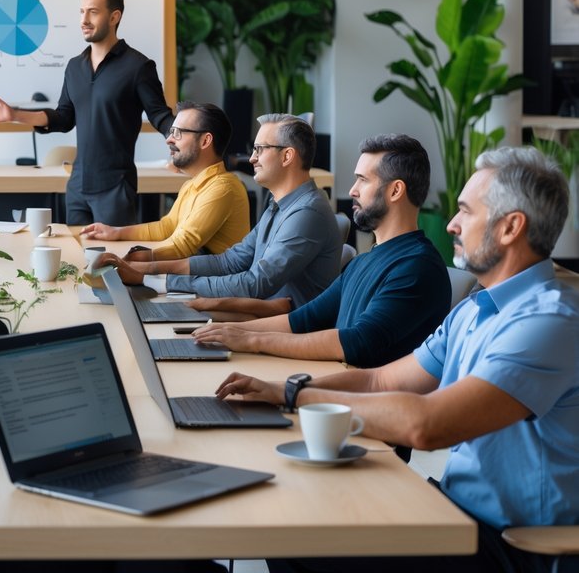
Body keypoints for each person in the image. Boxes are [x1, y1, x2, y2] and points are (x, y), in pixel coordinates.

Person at [217, 146, 579, 573]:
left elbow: (424, 424)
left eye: (465, 211)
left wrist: (297, 400)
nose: (451, 224)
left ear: (510, 227)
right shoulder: (473, 311)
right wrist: (284, 389)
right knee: (296, 513)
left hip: (510, 547)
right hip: (454, 513)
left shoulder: (548, 323)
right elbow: (380, 382)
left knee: (301, 535)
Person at [191, 134, 450, 367]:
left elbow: (357, 341)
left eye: (362, 180)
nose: (352, 190)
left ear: (395, 190)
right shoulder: (365, 260)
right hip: (334, 389)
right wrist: (230, 332)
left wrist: (253, 341)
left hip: (360, 410)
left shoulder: (417, 267)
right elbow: (304, 319)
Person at [0, 0, 174, 225]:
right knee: (76, 258)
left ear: (114, 17)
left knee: (111, 261)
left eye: (93, 12)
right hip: (77, 185)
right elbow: (63, 118)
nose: (84, 20)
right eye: (82, 12)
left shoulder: (138, 67)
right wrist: (14, 114)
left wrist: (184, 147)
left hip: (115, 186)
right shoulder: (74, 67)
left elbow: (161, 117)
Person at [94, 113, 340, 309]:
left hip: (279, 328)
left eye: (259, 149)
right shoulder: (279, 205)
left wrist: (154, 280)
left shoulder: (307, 213)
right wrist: (145, 271)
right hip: (254, 313)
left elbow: (255, 284)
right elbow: (230, 261)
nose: (252, 159)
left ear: (287, 156)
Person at [80, 101, 248, 259]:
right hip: (195, 278)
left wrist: (124, 258)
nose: (169, 139)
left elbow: (183, 245)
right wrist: (116, 232)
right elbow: (166, 227)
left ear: (205, 141)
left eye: (178, 133)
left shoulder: (223, 188)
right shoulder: (191, 185)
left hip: (216, 287)